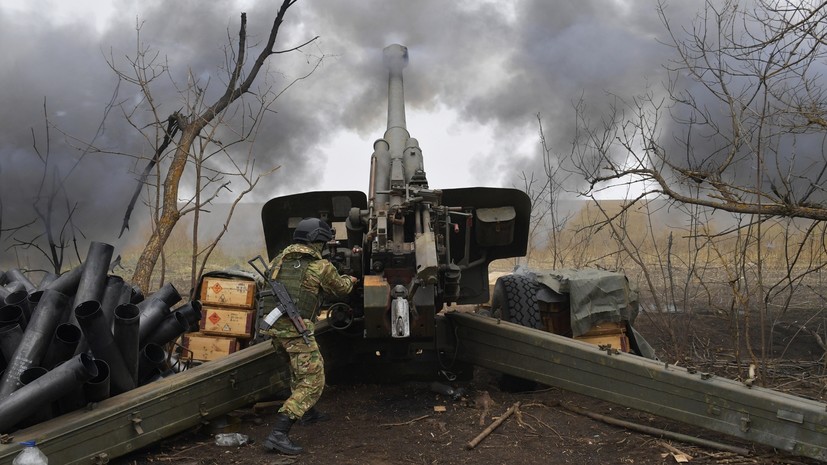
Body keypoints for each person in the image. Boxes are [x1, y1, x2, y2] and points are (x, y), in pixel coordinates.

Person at [262, 217, 357, 455]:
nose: (324, 247)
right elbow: (341, 289)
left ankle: (308, 413)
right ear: (316, 241)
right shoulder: (319, 267)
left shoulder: (277, 261)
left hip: (275, 330)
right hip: (296, 330)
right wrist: (351, 278)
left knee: (298, 371)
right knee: (313, 381)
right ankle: (279, 433)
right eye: (323, 243)